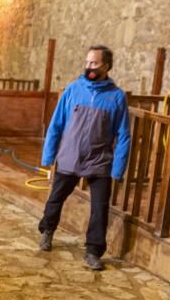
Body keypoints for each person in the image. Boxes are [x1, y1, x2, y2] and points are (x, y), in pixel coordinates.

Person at [38, 44, 130, 271]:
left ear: (106, 66)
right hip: (69, 157)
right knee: (55, 199)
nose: (89, 66)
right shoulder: (73, 90)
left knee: (99, 208)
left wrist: (117, 168)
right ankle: (47, 231)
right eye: (87, 62)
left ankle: (93, 251)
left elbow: (124, 134)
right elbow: (56, 124)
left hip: (99, 161)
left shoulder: (116, 97)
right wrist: (49, 155)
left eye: (94, 63)